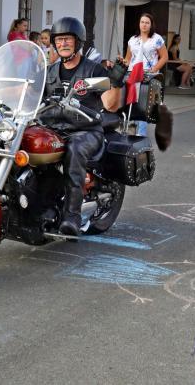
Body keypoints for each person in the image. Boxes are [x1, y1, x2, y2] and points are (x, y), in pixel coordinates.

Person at [41, 17, 125, 236]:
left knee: (74, 151)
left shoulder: (93, 70)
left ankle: (72, 216)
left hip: (85, 131)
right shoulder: (49, 72)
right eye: (59, 40)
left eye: (67, 39)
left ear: (77, 42)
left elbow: (110, 105)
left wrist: (116, 82)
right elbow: (32, 97)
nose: (63, 44)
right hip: (53, 129)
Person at [123, 13, 167, 136]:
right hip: (133, 74)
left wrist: (155, 69)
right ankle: (132, 129)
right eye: (142, 22)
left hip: (148, 75)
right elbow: (128, 58)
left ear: (151, 25)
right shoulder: (133, 40)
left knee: (143, 104)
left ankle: (141, 134)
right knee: (132, 102)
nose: (144, 25)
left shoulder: (157, 39)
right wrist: (122, 62)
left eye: (147, 22)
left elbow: (164, 57)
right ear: (139, 24)